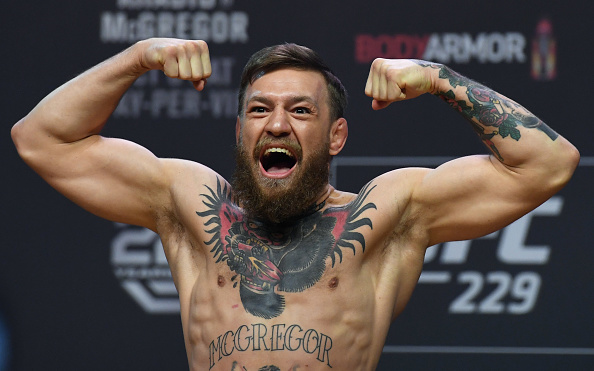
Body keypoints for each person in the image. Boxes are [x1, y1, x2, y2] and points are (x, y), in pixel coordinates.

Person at [11, 38, 579, 371]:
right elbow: (40, 139)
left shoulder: (388, 213)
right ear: (240, 132)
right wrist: (136, 57)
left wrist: (438, 77)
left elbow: (547, 163)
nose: (276, 123)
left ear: (336, 137)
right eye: (259, 110)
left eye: (301, 111)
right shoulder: (187, 201)